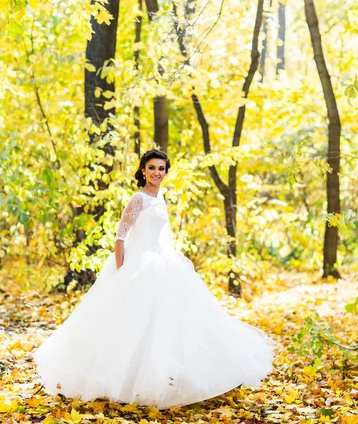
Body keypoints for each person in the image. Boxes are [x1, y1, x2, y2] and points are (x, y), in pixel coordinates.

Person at [33, 149, 274, 409]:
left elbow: (163, 235)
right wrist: (121, 270)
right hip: (139, 263)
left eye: (161, 168)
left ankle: (172, 377)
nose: (157, 173)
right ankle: (121, 381)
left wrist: (174, 256)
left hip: (163, 261)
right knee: (130, 322)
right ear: (143, 171)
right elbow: (120, 237)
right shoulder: (139, 198)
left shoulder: (160, 197)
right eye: (152, 168)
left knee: (171, 321)